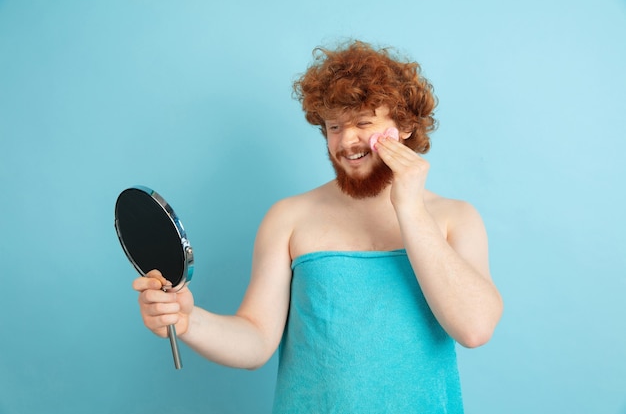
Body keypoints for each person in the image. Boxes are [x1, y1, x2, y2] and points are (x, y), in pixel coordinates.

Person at [133, 40, 503, 413]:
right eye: (334, 126)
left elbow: (475, 328)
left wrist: (410, 209)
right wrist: (187, 320)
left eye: (363, 123)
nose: (346, 141)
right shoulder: (288, 218)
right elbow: (256, 339)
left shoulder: (456, 218)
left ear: (404, 125)